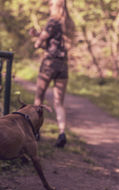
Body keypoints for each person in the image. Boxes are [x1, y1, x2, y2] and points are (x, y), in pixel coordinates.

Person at [29, 0, 75, 148]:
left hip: (49, 64)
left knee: (39, 97)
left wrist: (36, 39)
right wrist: (39, 34)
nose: (49, 6)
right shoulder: (67, 23)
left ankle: (36, 131)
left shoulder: (52, 21)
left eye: (51, 4)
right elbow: (54, 41)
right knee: (59, 103)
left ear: (55, 6)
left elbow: (40, 42)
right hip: (63, 65)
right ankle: (62, 133)